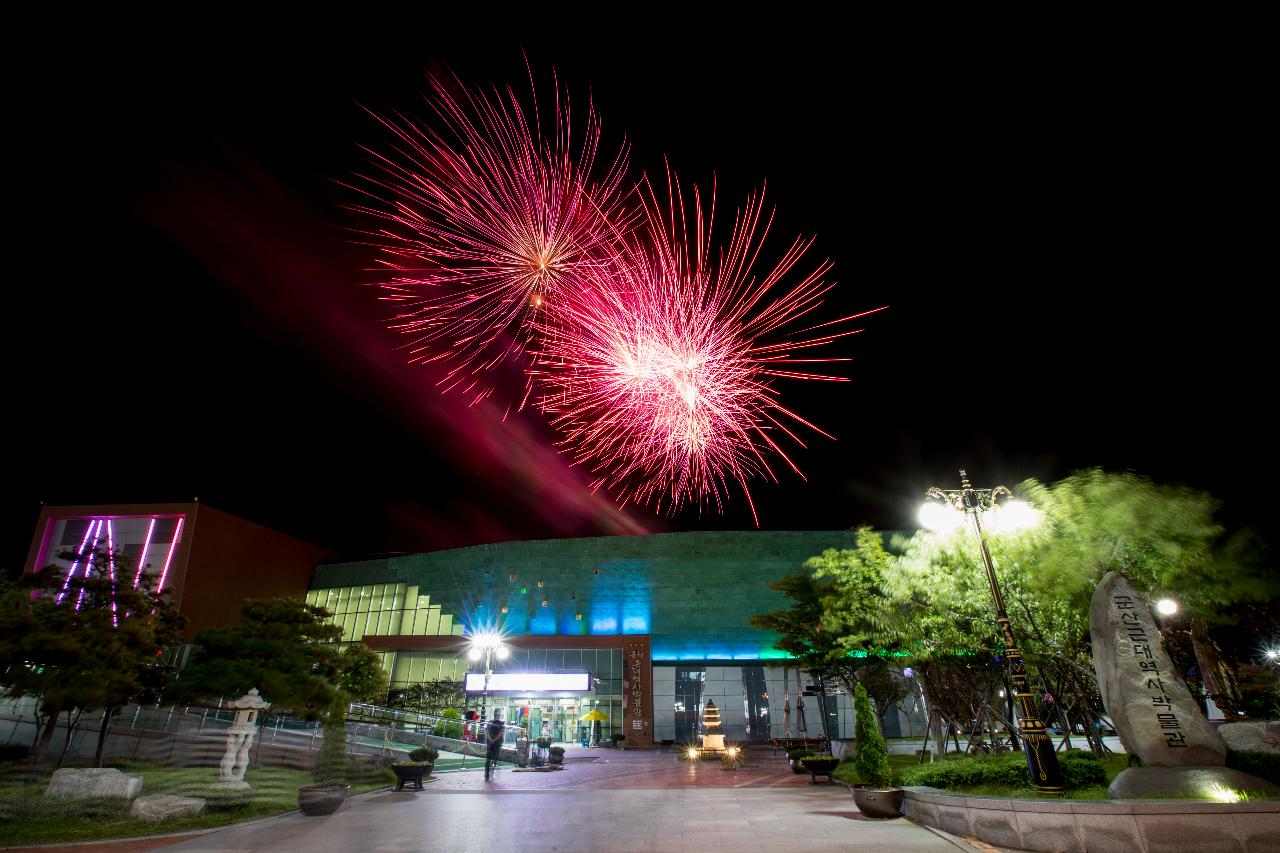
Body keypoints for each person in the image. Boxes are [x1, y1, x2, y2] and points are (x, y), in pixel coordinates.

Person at [484, 713, 504, 780]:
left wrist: (490, 739)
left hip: (490, 743)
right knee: (494, 759)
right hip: (496, 743)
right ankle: (490, 773)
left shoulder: (490, 722)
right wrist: (494, 740)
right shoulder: (500, 723)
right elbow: (501, 733)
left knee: (488, 758)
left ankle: (487, 774)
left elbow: (486, 732)